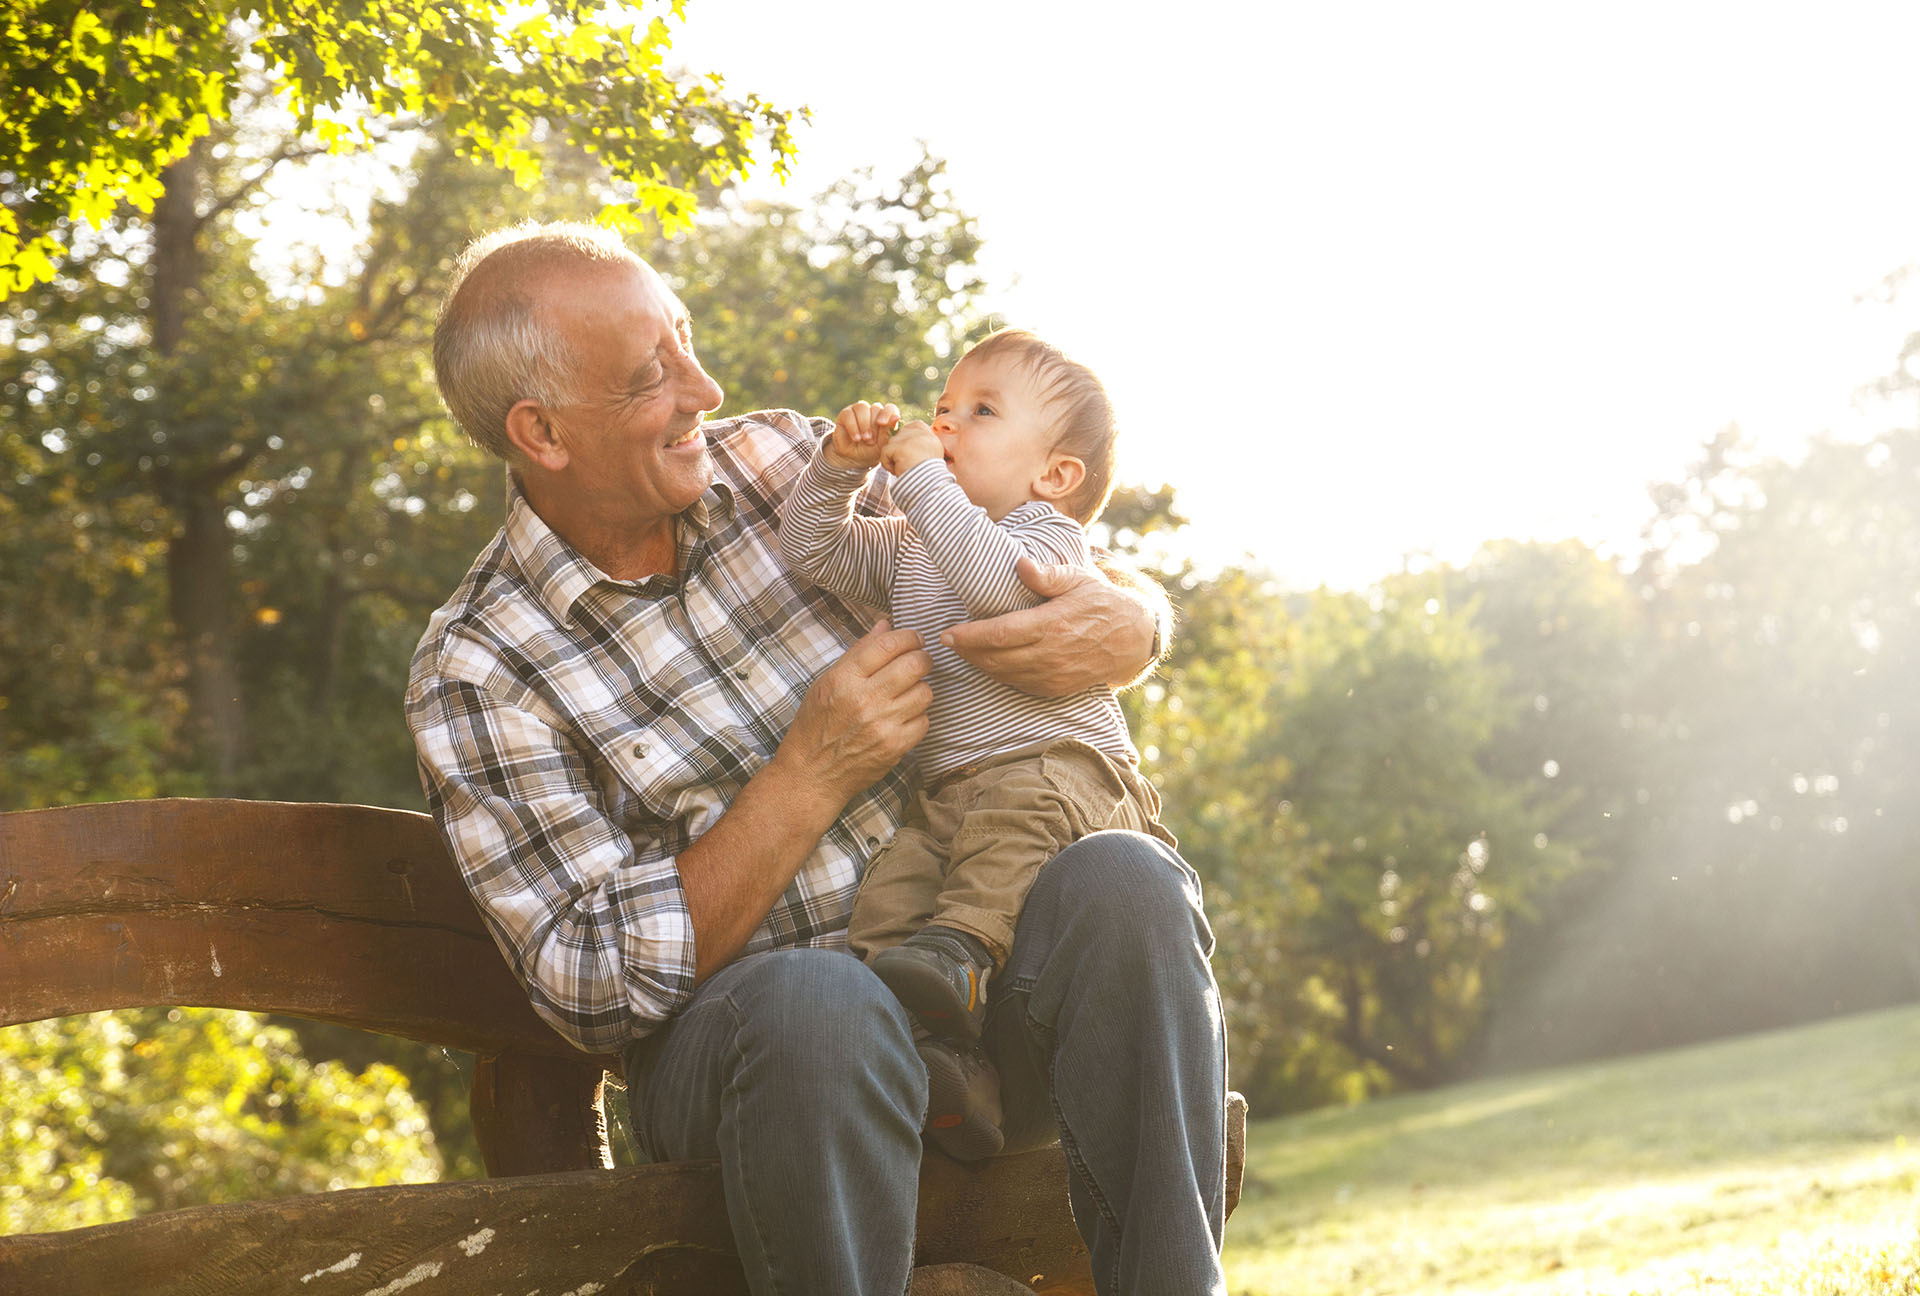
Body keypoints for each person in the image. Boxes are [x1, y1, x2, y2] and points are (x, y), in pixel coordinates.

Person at [406, 220, 1228, 1296]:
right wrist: (806, 778)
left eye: (688, 340)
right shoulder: (479, 669)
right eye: (653, 374)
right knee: (817, 1000)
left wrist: (1135, 618)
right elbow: (589, 984)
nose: (704, 388)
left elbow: (1024, 543)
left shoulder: (788, 462)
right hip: (760, 1063)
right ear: (543, 432)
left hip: (980, 1016)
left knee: (1127, 876)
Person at [777, 329, 1174, 1162]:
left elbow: (994, 587)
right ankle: (954, 1072)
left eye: (981, 412)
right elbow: (813, 549)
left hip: (1062, 772)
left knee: (1002, 841)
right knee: (889, 903)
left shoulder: (1046, 537)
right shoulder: (913, 540)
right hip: (947, 795)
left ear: (1054, 474)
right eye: (941, 410)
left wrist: (919, 475)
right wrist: (841, 469)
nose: (948, 425)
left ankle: (959, 956)